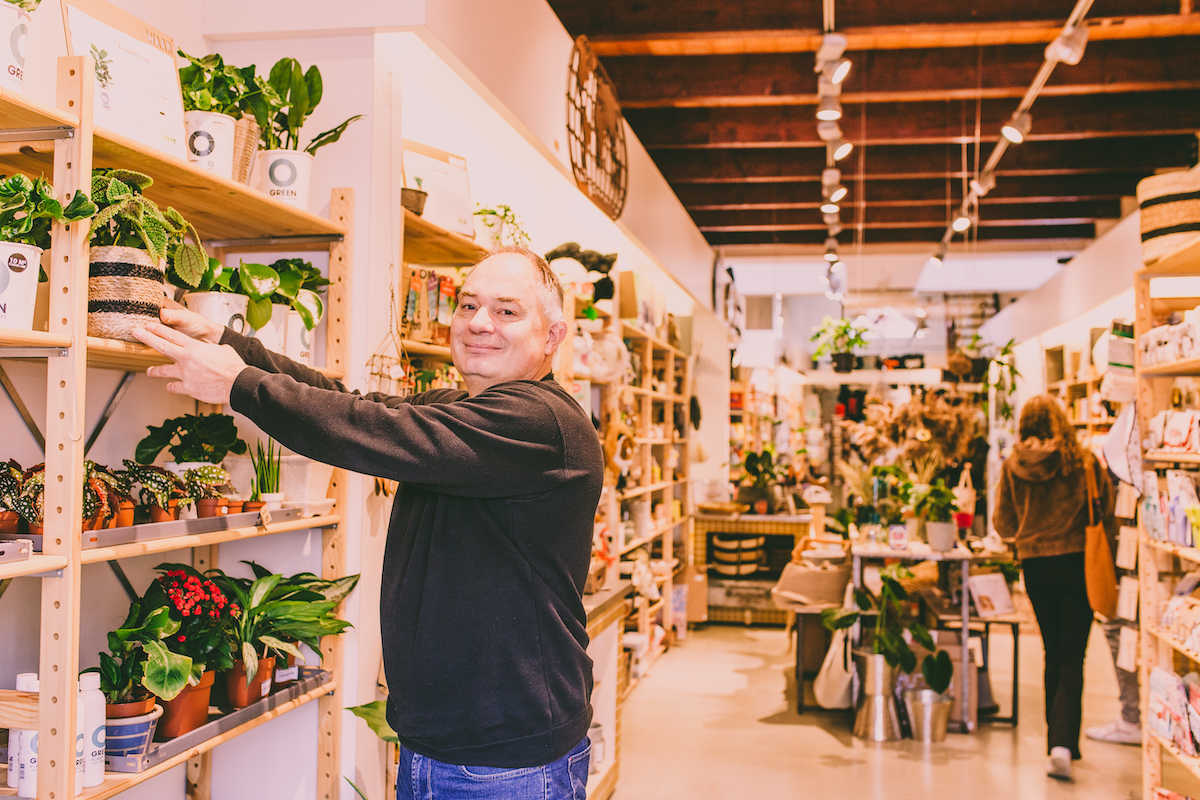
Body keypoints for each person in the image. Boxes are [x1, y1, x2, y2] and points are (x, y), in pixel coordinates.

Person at [133, 246, 604, 799]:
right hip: (448, 745)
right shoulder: (464, 407)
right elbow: (353, 403)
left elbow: (372, 429)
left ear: (552, 336)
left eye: (506, 311)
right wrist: (230, 346)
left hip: (505, 761)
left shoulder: (539, 423)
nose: (478, 323)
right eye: (468, 304)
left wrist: (239, 383)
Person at [993, 394, 1116, 782]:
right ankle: (1063, 743)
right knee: (1071, 655)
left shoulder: (1013, 466)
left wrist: (1028, 535)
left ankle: (1058, 743)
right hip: (1078, 563)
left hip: (1035, 567)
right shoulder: (1082, 461)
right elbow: (1107, 513)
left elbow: (1002, 521)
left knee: (1051, 650)